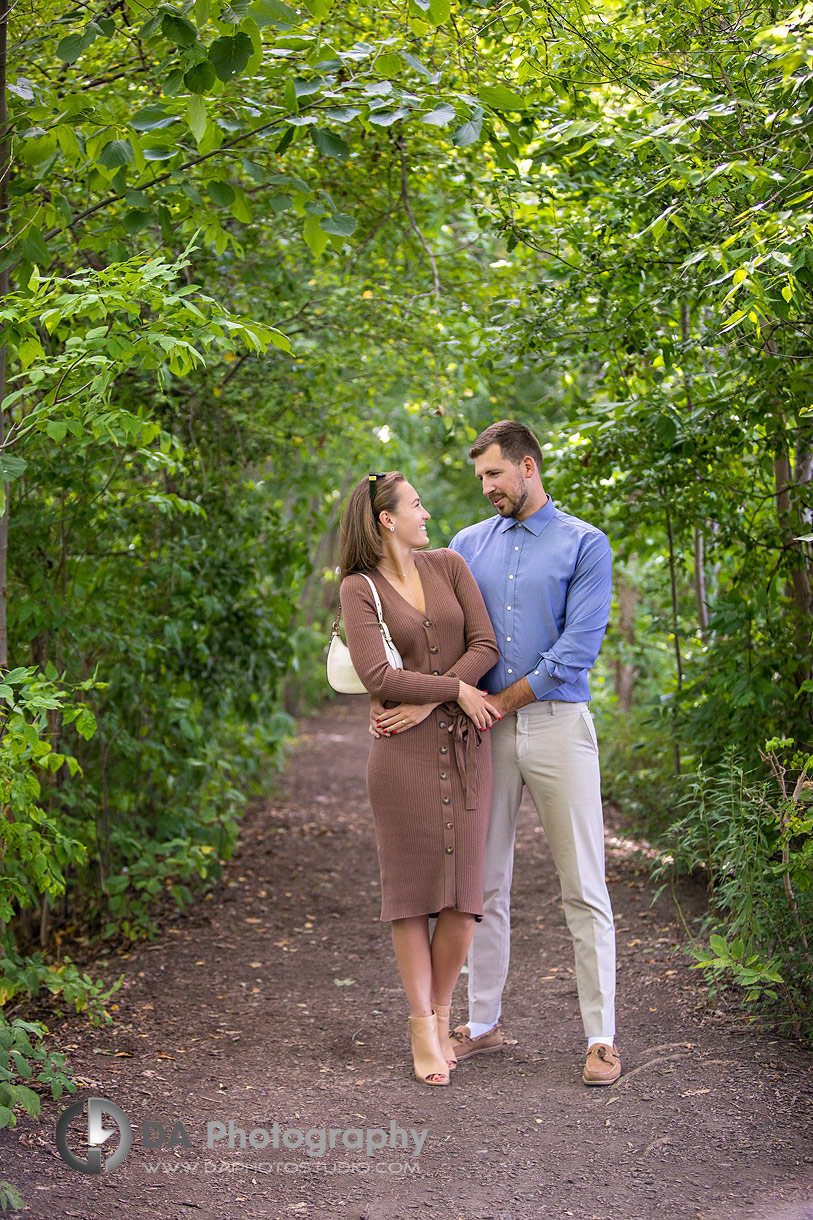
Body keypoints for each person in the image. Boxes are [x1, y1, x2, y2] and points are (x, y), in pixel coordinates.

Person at [445, 420, 620, 1086]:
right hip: (483, 732)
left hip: (556, 725)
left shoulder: (584, 543)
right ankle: (481, 1023)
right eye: (480, 478)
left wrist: (497, 702)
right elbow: (450, 637)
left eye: (493, 474)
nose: (486, 487)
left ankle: (600, 1038)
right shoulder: (465, 546)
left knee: (583, 884)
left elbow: (576, 650)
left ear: (526, 466)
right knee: (481, 883)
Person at [338, 470, 500, 1086]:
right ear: (387, 519)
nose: (426, 512)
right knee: (410, 895)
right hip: (400, 756)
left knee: (463, 894)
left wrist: (440, 697)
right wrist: (455, 688)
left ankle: (442, 1013)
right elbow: (377, 674)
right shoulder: (359, 587)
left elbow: (485, 644)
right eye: (415, 505)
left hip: (464, 746)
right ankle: (420, 1027)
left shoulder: (450, 565)